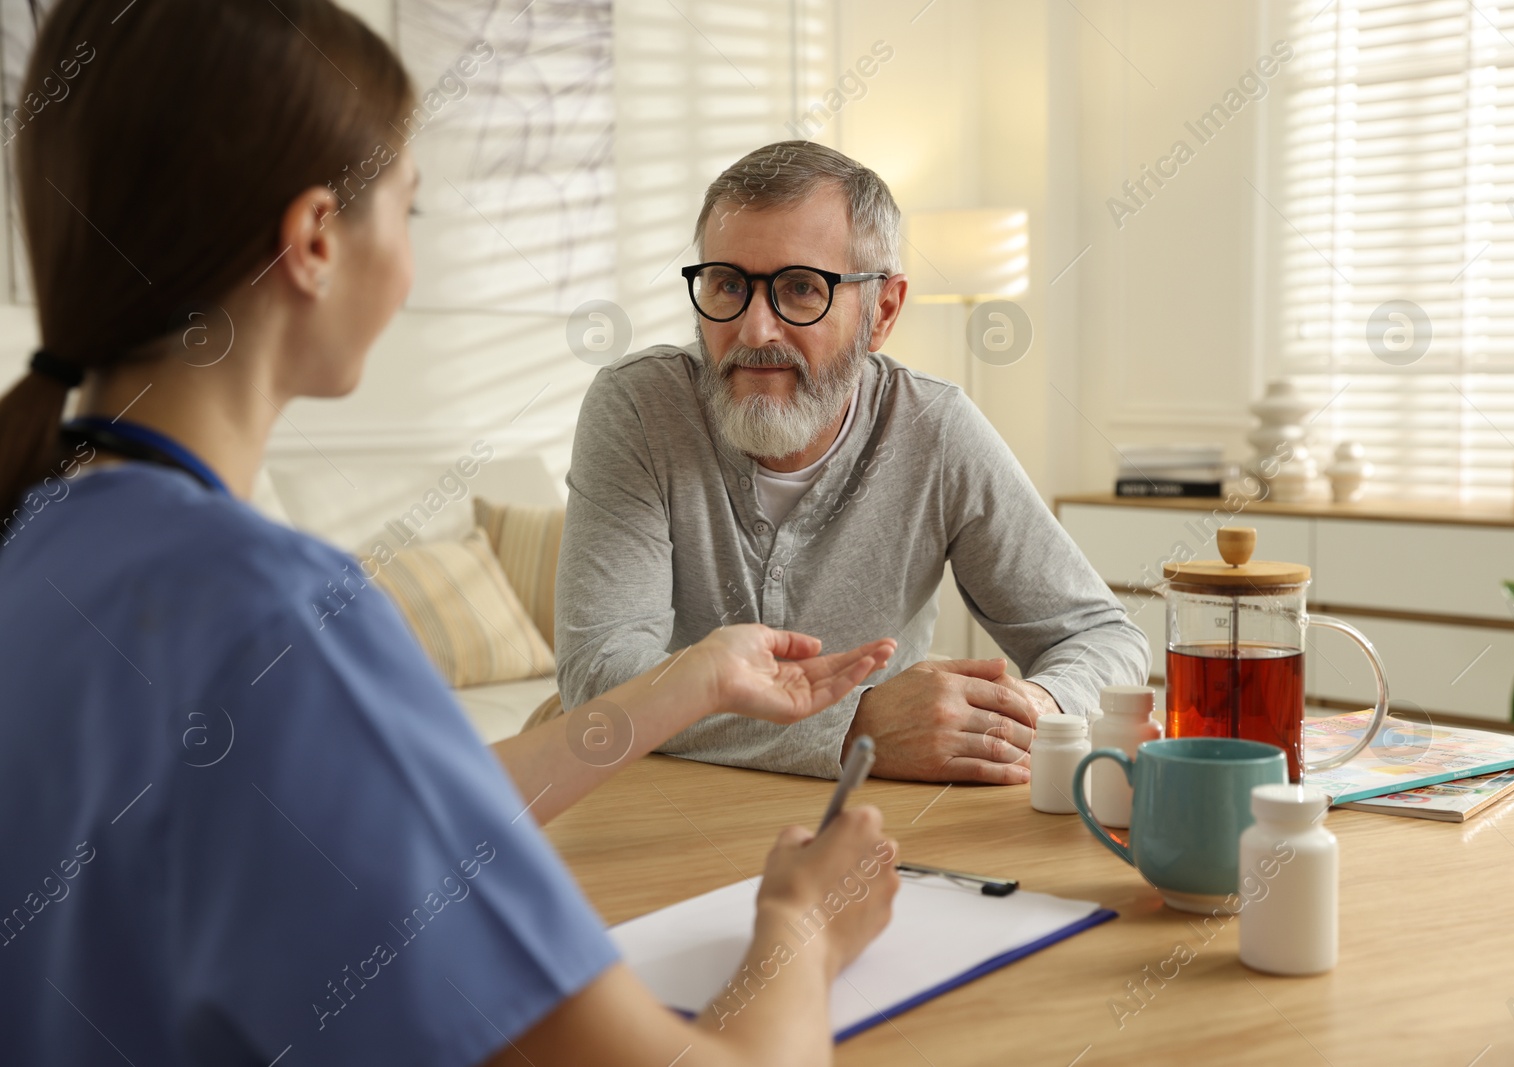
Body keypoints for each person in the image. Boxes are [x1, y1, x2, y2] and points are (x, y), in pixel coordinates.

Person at [0, 2, 899, 1065]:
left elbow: (386, 808)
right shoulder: (277, 621)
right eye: (410, 209)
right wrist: (801, 922)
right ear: (319, 239)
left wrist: (697, 675)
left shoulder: (45, 542)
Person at [556, 141, 1151, 783]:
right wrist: (857, 728)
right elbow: (600, 676)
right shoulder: (639, 408)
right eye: (728, 284)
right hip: (666, 801)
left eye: (801, 289)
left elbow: (1103, 639)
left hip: (870, 820)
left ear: (882, 312)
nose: (755, 330)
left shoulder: (935, 430)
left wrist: (1027, 709)